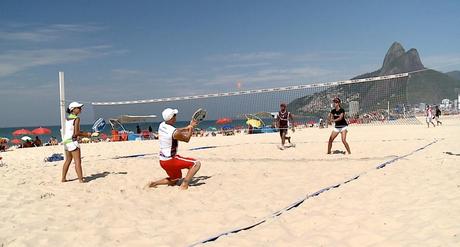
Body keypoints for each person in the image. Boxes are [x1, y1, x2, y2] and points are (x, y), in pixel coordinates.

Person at [147, 108, 201, 190]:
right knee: (196, 164)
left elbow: (176, 131)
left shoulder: (162, 125)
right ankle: (184, 185)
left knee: (175, 180)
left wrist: (186, 128)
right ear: (172, 118)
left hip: (162, 161)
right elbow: (187, 139)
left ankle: (154, 183)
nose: (176, 117)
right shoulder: (174, 132)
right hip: (171, 160)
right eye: (175, 115)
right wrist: (191, 127)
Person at [61, 102, 98, 183]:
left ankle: (63, 179)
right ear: (73, 109)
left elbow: (71, 130)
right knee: (77, 161)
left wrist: (82, 133)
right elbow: (76, 133)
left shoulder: (67, 119)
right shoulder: (77, 119)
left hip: (66, 141)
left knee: (68, 160)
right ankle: (81, 179)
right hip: (72, 141)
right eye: (78, 108)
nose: (80, 109)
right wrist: (87, 134)